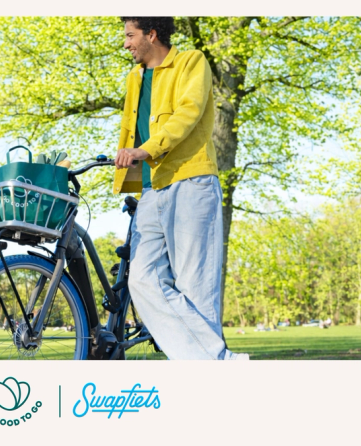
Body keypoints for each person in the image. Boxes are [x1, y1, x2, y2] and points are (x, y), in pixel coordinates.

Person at [113, 17, 247, 360]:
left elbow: (187, 114)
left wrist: (147, 150)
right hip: (150, 189)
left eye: (130, 35)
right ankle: (222, 365)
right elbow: (131, 128)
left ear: (151, 34)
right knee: (141, 280)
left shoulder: (191, 62)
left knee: (195, 289)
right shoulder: (134, 78)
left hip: (191, 182)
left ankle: (208, 378)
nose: (125, 43)